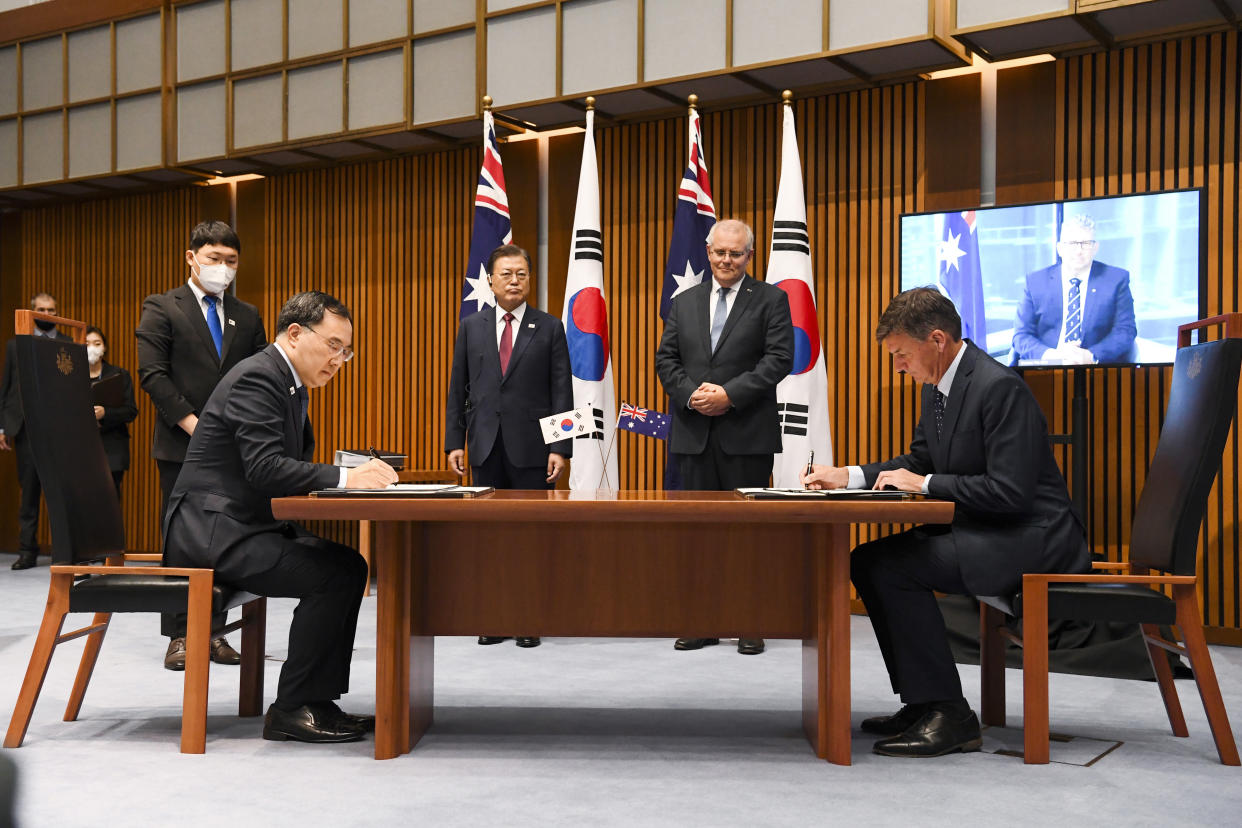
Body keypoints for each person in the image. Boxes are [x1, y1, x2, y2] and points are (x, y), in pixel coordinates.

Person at [802, 286, 1090, 758]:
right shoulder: (940, 387)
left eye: (900, 354)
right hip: (992, 529)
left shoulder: (999, 387)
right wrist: (847, 476)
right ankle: (924, 701)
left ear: (937, 340)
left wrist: (927, 485)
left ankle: (950, 713)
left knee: (892, 567)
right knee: (870, 560)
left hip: (1032, 538)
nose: (897, 366)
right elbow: (917, 463)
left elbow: (1010, 493)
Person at [163, 291, 397, 743]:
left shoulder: (287, 384)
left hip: (242, 524)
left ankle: (317, 701)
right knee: (331, 574)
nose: (340, 359)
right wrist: (349, 477)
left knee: (349, 565)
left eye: (345, 351)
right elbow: (266, 468)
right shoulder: (258, 377)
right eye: (333, 345)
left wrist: (344, 479)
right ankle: (292, 709)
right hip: (214, 530)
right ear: (294, 334)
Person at [655, 218, 794, 656]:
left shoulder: (772, 299)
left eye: (736, 253)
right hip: (693, 434)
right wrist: (691, 394)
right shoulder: (685, 301)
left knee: (747, 534)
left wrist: (729, 395)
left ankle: (750, 621)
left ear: (750, 256)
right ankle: (702, 621)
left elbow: (779, 359)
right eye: (719, 252)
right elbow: (666, 359)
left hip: (747, 436)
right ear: (708, 250)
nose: (726, 260)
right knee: (699, 534)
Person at [136, 220, 267, 670]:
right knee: (181, 540)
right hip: (180, 443)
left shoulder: (247, 316)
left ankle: (213, 633)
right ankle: (179, 635)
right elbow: (153, 374)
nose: (223, 268)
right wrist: (195, 424)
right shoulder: (161, 306)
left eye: (231, 261)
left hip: (234, 451)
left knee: (226, 538)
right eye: (214, 259)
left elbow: (258, 377)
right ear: (191, 257)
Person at [444, 243, 573, 649]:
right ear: (491, 280)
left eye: (521, 273)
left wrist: (560, 446)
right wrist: (455, 441)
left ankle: (529, 617)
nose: (514, 280)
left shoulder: (549, 327)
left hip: (533, 450)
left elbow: (561, 391)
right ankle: (493, 616)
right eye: (506, 274)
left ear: (529, 279)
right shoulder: (472, 326)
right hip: (484, 447)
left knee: (529, 536)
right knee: (489, 537)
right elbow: (458, 389)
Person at [1010, 214, 1137, 365]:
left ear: (1095, 248)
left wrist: (1091, 356)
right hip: (1046, 368)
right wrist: (1052, 356)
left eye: (1086, 243)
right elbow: (1021, 335)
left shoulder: (1116, 280)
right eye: (1072, 244)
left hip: (1095, 370)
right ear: (1060, 248)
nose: (1079, 251)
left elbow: (1125, 331)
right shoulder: (1035, 282)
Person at [0, 292, 62, 570]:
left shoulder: (68, 344)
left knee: (60, 493)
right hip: (25, 429)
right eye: (41, 310)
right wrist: (3, 426)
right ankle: (27, 551)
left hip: (58, 430)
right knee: (28, 494)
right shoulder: (16, 346)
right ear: (32, 311)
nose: (46, 314)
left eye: (51, 310)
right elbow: (7, 387)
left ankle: (63, 550)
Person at [85, 326, 139, 499]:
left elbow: (131, 411)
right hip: (81, 451)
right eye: (86, 343)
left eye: (96, 343)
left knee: (110, 503)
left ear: (104, 347)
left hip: (112, 450)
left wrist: (105, 413)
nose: (91, 347)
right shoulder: (72, 376)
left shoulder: (119, 375)